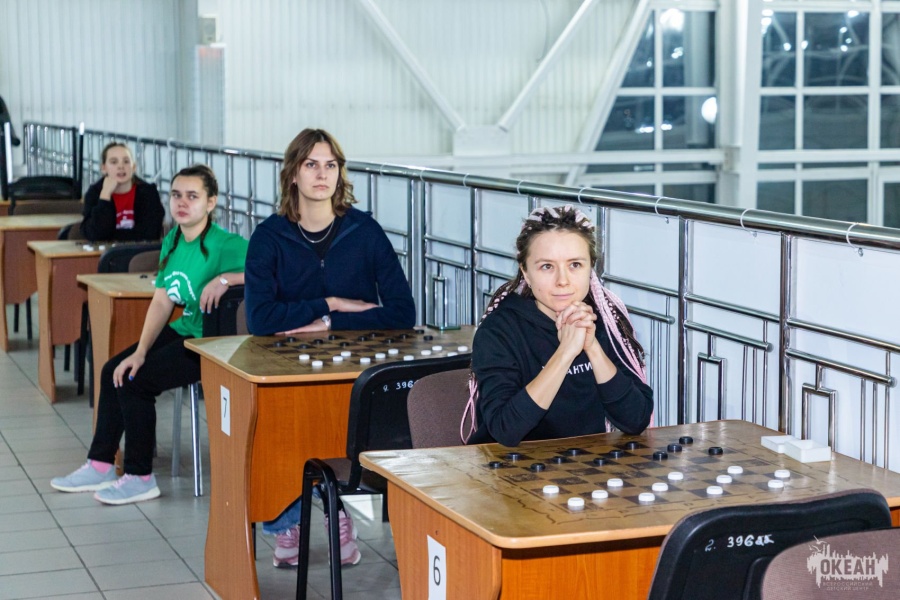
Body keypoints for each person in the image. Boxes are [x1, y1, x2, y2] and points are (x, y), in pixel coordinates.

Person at [245, 128, 416, 568]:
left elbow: (402, 312)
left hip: (354, 366)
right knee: (281, 429)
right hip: (287, 364)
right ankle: (290, 518)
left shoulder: (365, 231)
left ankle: (332, 506)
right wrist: (331, 302)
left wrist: (330, 322)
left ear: (340, 173)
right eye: (311, 165)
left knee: (346, 429)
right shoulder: (269, 236)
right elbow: (261, 319)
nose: (322, 174)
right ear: (293, 174)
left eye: (330, 165)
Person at [51, 165, 248, 505]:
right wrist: (140, 351)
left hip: (213, 344)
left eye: (192, 196)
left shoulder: (226, 244)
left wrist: (227, 279)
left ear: (211, 202)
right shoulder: (173, 239)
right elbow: (162, 300)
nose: (182, 203)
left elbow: (273, 272)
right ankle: (100, 465)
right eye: (176, 195)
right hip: (186, 330)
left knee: (134, 381)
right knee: (114, 369)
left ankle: (140, 476)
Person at [465, 204, 653, 447]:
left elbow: (636, 420)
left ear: (591, 268)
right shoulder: (499, 330)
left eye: (575, 265)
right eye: (547, 266)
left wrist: (592, 348)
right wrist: (565, 353)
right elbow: (506, 430)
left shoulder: (605, 321)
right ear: (526, 272)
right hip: (510, 464)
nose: (562, 281)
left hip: (585, 463)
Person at [81, 142, 165, 242]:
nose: (121, 166)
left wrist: (110, 235)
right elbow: (94, 234)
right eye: (114, 162)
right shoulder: (95, 193)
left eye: (126, 161)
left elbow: (150, 234)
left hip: (140, 250)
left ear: (133, 167)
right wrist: (105, 195)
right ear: (104, 168)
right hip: (104, 251)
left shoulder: (148, 192)